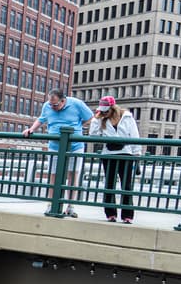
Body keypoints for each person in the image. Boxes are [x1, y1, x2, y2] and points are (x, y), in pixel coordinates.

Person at [22, 89, 94, 198]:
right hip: (55, 146)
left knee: (73, 175)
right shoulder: (47, 106)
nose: (52, 107)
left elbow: (90, 117)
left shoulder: (77, 104)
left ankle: (70, 205)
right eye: (50, 104)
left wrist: (78, 126)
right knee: (53, 175)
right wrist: (31, 129)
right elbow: (41, 119)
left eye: (55, 105)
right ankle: (51, 203)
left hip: (75, 146)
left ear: (63, 101)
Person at [88, 95, 142, 223]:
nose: (104, 112)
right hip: (109, 153)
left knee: (126, 185)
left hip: (126, 153)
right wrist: (96, 119)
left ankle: (127, 215)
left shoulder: (127, 117)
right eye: (102, 110)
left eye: (106, 110)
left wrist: (137, 153)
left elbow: (134, 135)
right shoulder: (101, 119)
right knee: (109, 184)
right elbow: (93, 135)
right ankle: (110, 214)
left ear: (113, 108)